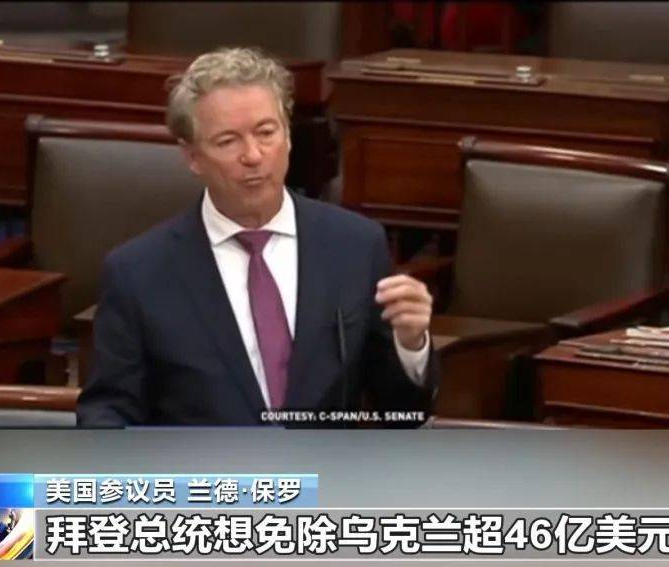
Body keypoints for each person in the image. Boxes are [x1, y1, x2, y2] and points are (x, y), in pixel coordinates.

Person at [76, 47, 438, 427]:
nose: (253, 155)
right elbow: (108, 413)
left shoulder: (355, 246)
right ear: (192, 157)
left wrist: (411, 345)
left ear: (289, 136)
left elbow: (402, 416)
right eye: (228, 141)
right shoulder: (139, 273)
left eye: (266, 132)